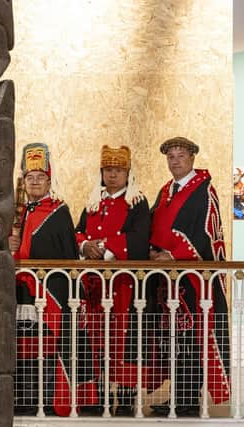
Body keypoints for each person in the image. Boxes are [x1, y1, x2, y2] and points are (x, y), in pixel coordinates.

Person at [9, 143, 96, 416]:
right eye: (29, 178)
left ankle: (52, 399)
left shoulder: (59, 211)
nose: (34, 183)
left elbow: (62, 251)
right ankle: (25, 398)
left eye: (40, 178)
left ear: (49, 180)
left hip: (51, 293)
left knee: (53, 346)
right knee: (26, 346)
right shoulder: (22, 211)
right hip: (23, 293)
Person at [148, 136, 230, 417]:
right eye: (171, 156)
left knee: (192, 340)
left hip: (193, 282)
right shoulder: (165, 191)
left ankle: (188, 399)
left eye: (181, 155)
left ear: (192, 158)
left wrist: (174, 255)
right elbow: (152, 224)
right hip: (167, 283)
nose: (175, 160)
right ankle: (176, 396)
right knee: (172, 340)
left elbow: (207, 234)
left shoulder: (203, 192)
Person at [74, 145, 150, 416]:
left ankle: (127, 397)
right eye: (108, 170)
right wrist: (85, 246)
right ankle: (101, 395)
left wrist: (104, 247)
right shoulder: (94, 201)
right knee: (96, 340)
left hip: (124, 287)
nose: (113, 175)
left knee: (124, 340)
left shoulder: (137, 202)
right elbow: (78, 231)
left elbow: (140, 238)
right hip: (94, 287)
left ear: (127, 172)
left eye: (118, 170)